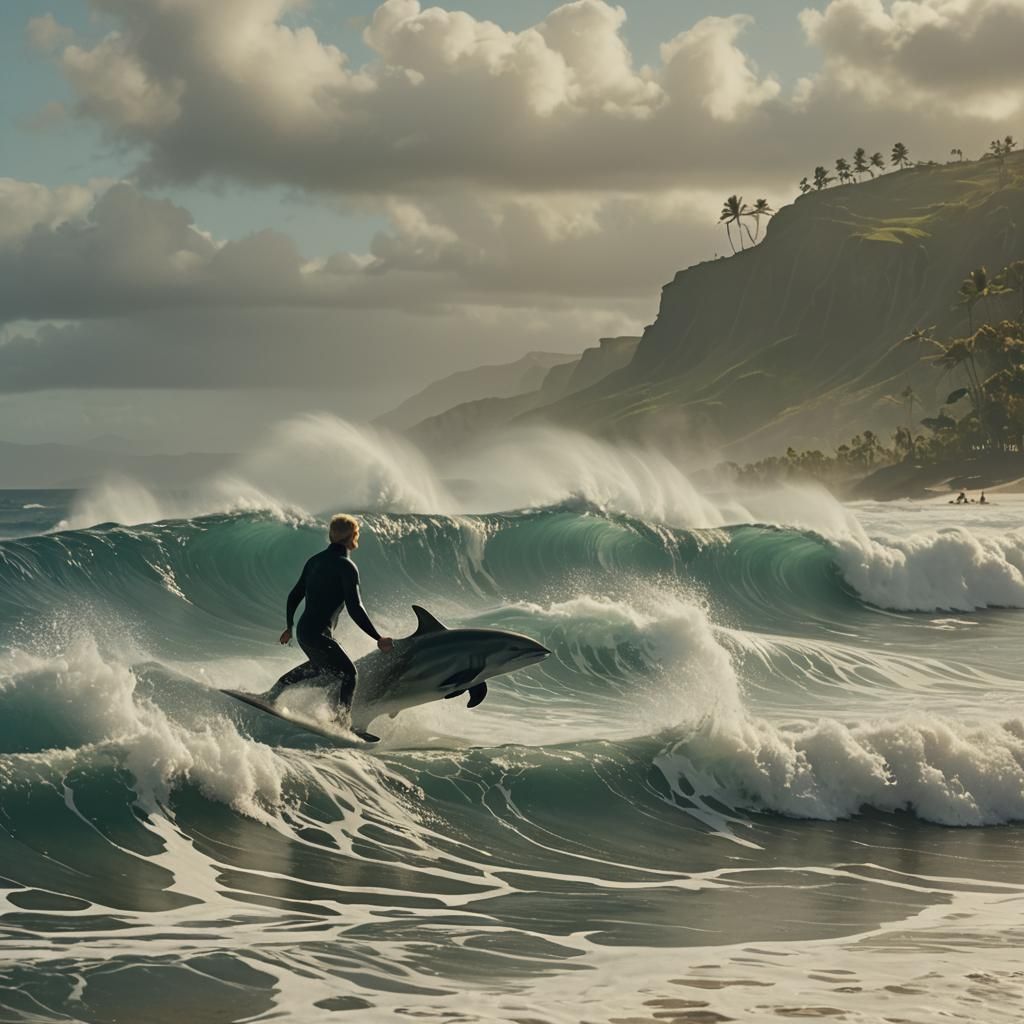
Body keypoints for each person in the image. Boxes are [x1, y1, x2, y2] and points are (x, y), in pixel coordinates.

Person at [265, 514, 392, 732]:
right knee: (349, 674)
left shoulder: (314, 560)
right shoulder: (346, 566)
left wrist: (290, 626)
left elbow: (294, 595)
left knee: (322, 669)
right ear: (352, 536)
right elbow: (355, 608)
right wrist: (378, 637)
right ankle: (342, 723)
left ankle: (273, 694)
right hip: (318, 634)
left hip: (305, 631)